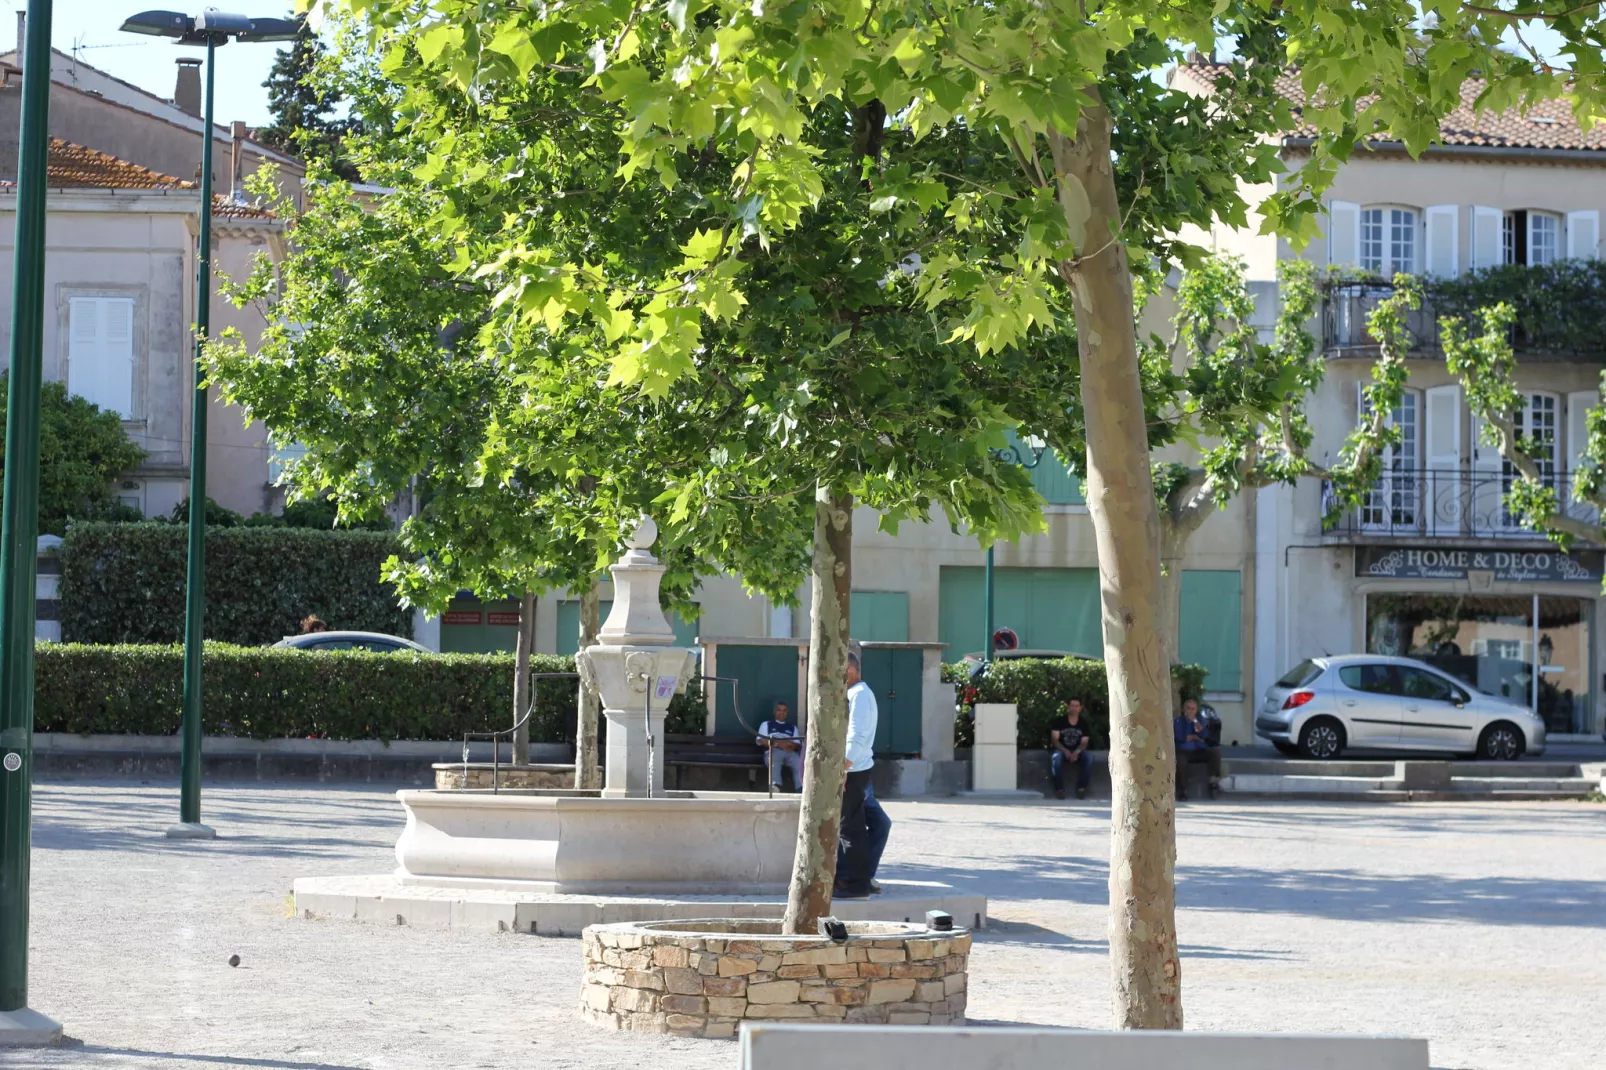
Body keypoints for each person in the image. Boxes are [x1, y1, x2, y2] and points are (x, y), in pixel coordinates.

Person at [834, 645, 878, 900]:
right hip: (855, 768)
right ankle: (855, 880)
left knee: (850, 830)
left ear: (850, 670)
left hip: (853, 769)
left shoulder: (859, 694)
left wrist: (843, 767)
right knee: (853, 828)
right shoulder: (859, 693)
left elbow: (857, 734)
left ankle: (857, 884)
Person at [1175, 697, 1222, 800]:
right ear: (1184, 710)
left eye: (1193, 709)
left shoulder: (1200, 719)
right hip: (1184, 751)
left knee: (1215, 751)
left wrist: (1195, 722)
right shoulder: (1179, 721)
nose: (1190, 711)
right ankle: (1183, 790)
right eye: (1188, 708)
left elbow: (1204, 735)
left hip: (1199, 750)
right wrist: (1196, 737)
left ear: (1196, 710)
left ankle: (1214, 781)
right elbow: (1182, 737)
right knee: (1181, 762)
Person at [1049, 697, 1093, 799]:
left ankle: (1081, 788)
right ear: (1068, 707)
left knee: (1089, 757)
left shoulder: (1083, 723)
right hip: (1061, 750)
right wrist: (1065, 751)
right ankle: (1059, 789)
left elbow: (1084, 742)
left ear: (1080, 708)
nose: (1074, 708)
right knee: (1056, 758)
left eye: (1076, 706)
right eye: (1072, 705)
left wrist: (1076, 752)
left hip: (1077, 751)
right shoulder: (1059, 721)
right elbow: (1054, 740)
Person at [756, 700, 803, 791]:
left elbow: (796, 744)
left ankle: (801, 788)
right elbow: (762, 740)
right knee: (774, 759)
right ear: (774, 711)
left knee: (798, 762)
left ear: (787, 712)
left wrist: (780, 743)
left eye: (784, 710)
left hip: (789, 752)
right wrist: (780, 744)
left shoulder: (793, 728)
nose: (781, 712)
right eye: (779, 710)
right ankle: (775, 786)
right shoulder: (766, 724)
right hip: (772, 751)